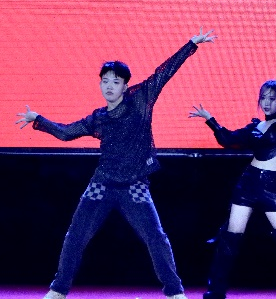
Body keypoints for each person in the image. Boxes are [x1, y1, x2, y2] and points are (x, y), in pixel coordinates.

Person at [15, 28, 216, 299]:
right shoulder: (98, 118)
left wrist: (191, 44)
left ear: (124, 85)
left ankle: (174, 292)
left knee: (156, 237)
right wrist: (38, 119)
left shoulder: (140, 100)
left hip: (134, 185)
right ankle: (58, 290)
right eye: (105, 81)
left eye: (116, 81)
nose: (109, 86)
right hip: (102, 184)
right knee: (75, 236)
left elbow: (164, 72)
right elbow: (66, 133)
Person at [188, 59, 276, 299]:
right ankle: (215, 291)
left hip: (272, 187)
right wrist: (210, 119)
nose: (267, 103)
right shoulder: (254, 127)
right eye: (263, 98)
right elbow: (228, 140)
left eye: (272, 98)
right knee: (231, 238)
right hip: (247, 185)